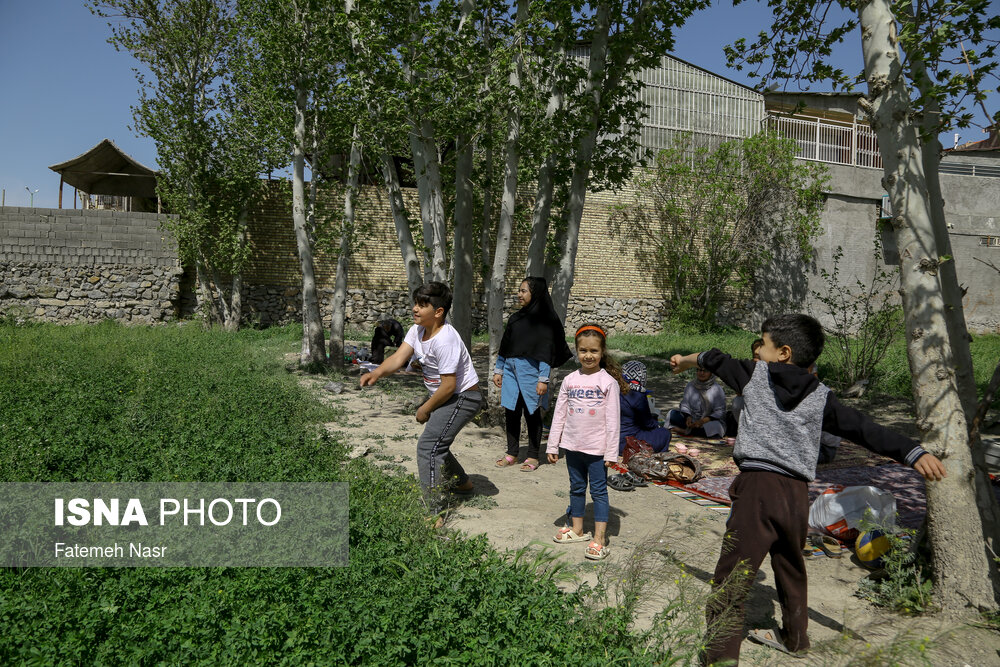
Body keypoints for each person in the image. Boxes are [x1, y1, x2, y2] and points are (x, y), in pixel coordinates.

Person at [670, 313, 946, 665]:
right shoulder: (822, 396)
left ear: (783, 352)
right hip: (797, 494)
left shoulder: (754, 375)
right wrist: (912, 451)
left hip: (758, 489)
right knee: (789, 565)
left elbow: (711, 357)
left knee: (732, 578)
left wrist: (683, 361)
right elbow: (863, 428)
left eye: (763, 345)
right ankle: (796, 638)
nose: (758, 353)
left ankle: (718, 659)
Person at [360, 283, 482, 519]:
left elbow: (448, 385)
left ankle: (433, 512)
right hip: (446, 396)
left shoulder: (445, 339)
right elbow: (399, 357)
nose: (415, 309)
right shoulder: (417, 330)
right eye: (415, 303)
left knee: (428, 446)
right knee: (436, 441)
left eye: (422, 305)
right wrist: (376, 372)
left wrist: (424, 409)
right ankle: (463, 484)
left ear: (439, 311)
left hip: (463, 397)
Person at [546, 323, 625, 561]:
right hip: (573, 448)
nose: (588, 356)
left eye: (593, 351)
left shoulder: (607, 382)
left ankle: (600, 539)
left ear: (602, 352)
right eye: (583, 351)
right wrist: (553, 445)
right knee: (576, 488)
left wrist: (612, 453)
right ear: (576, 351)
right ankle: (578, 529)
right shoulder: (570, 380)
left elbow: (613, 422)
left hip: (597, 451)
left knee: (599, 492)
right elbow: (559, 414)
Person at [493, 277, 573, 472]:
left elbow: (545, 353)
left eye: (523, 291)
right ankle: (512, 453)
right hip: (511, 373)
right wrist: (498, 369)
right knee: (511, 412)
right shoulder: (516, 319)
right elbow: (505, 346)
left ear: (535, 293)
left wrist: (543, 379)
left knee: (532, 414)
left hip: (532, 376)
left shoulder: (545, 322)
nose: (519, 294)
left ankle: (533, 456)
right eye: (519, 291)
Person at [619, 360, 671, 454]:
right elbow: (648, 423)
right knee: (665, 433)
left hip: (613, 443)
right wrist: (657, 424)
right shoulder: (637, 394)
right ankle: (660, 456)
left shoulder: (615, 389)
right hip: (628, 444)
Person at [668, 366, 727, 438]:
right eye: (699, 370)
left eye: (705, 371)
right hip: (693, 419)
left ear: (711, 373)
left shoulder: (717, 389)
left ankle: (686, 431)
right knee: (672, 414)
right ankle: (691, 429)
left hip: (708, 421)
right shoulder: (690, 385)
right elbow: (685, 404)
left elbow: (720, 411)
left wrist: (702, 421)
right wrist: (688, 417)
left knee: (715, 428)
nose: (701, 373)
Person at [726, 338, 763, 437]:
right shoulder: (749, 367)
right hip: (748, 399)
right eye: (754, 355)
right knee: (738, 402)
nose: (756, 354)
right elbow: (739, 390)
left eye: (758, 355)